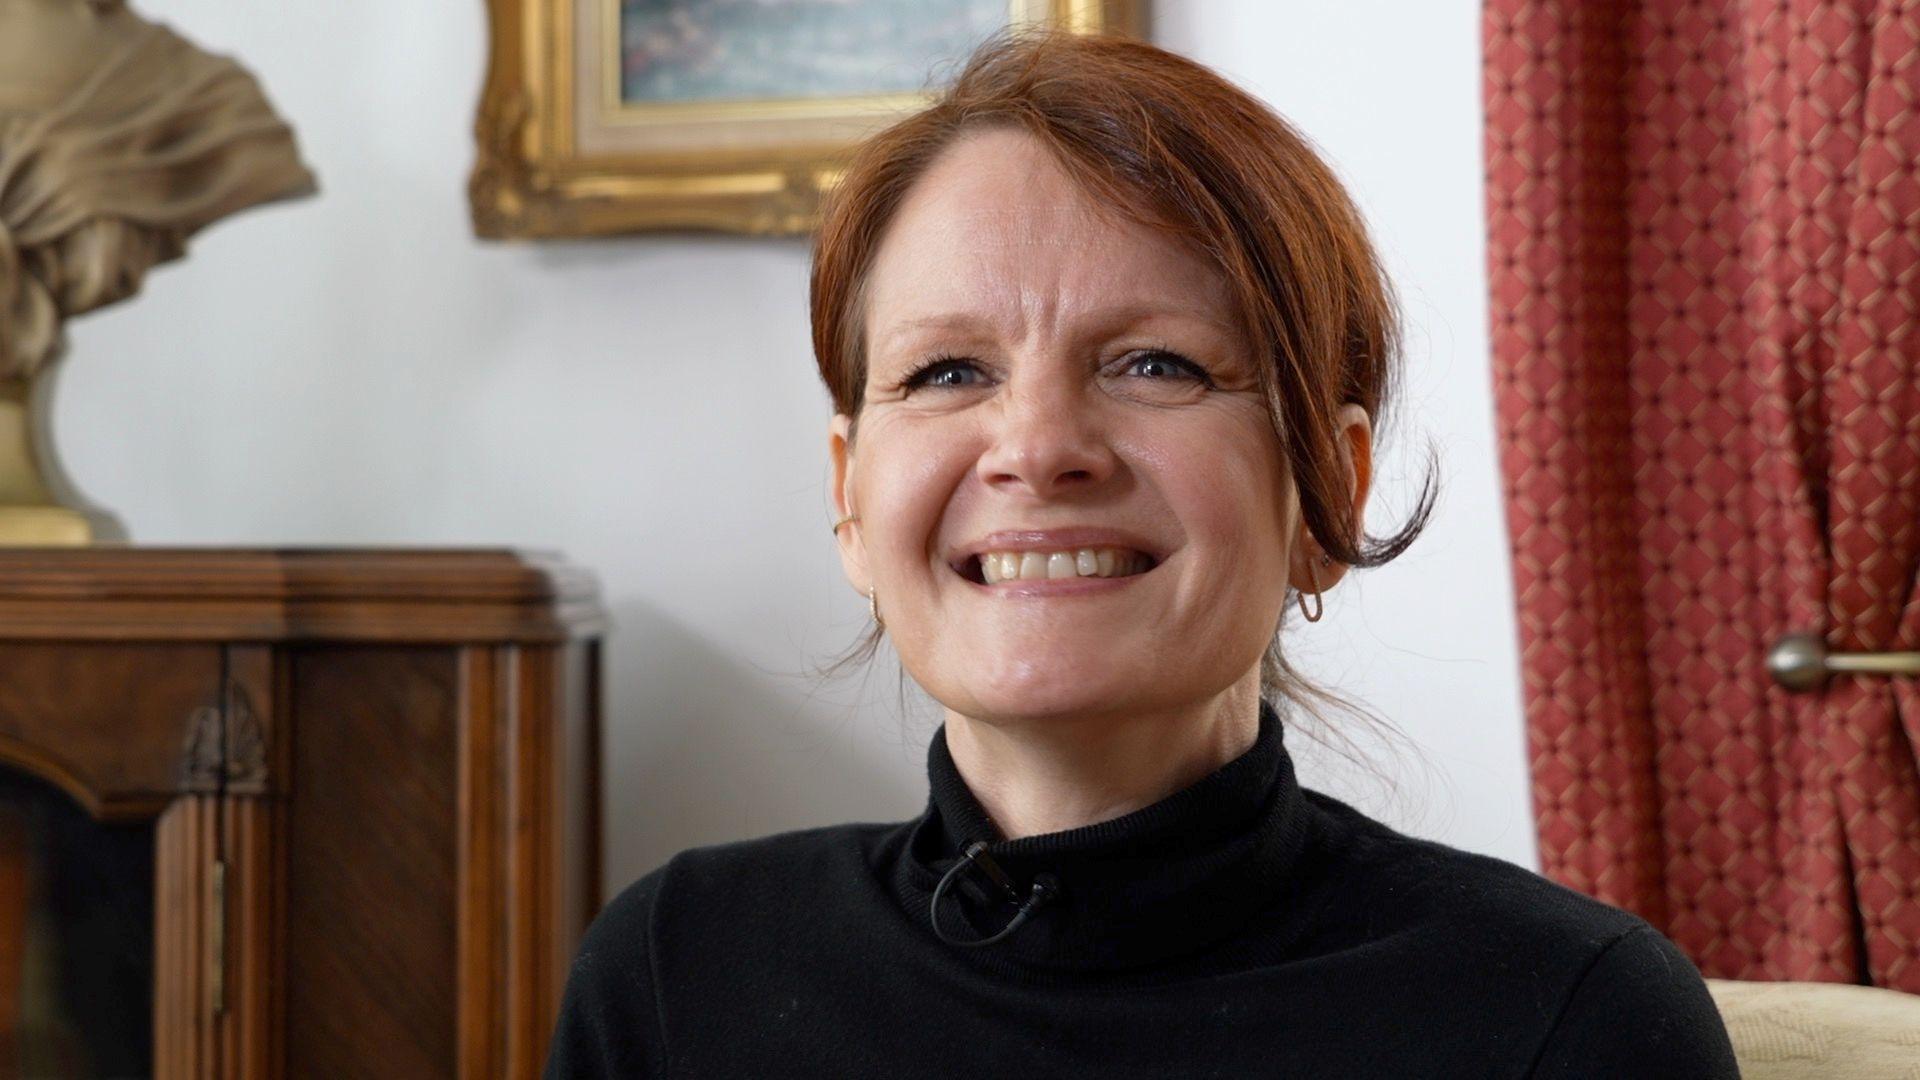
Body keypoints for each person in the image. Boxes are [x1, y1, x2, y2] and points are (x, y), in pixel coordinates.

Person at [545, 31, 1739, 1078]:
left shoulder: (1566, 1017)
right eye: (947, 372)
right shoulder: (677, 970)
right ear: (849, 500)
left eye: (1156, 363)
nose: (1038, 447)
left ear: (1329, 492)